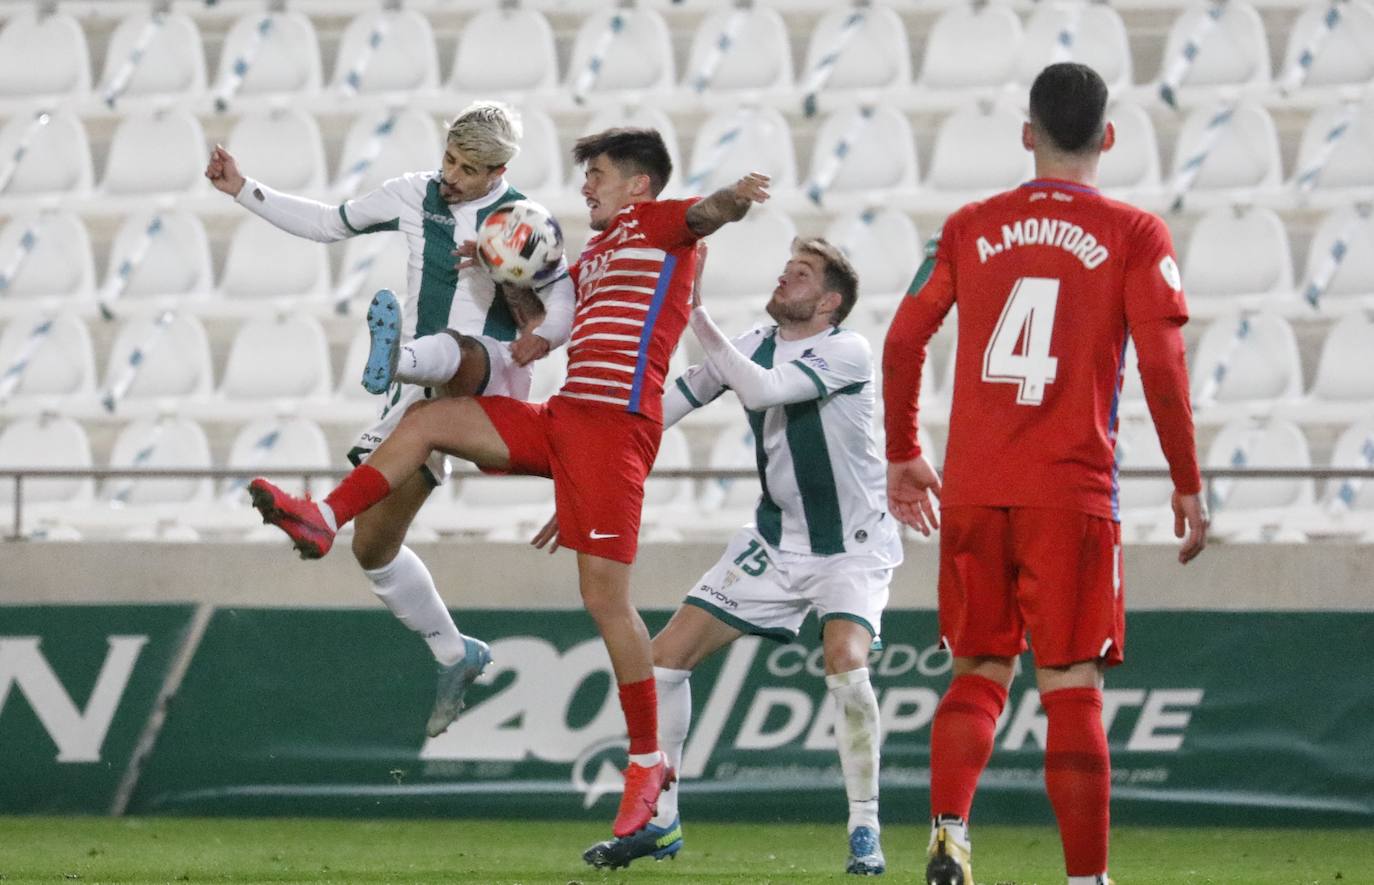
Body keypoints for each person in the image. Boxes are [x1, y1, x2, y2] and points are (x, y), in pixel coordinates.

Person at [245, 126, 770, 841]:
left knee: (605, 601)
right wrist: (507, 285)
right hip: (567, 418)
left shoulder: (660, 223)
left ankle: (648, 762)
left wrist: (734, 199)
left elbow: (704, 215)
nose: (586, 186)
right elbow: (552, 319)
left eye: (600, 175)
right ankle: (321, 517)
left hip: (616, 431)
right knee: (432, 422)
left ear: (639, 185)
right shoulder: (598, 252)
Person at [881, 63, 1209, 885]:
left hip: (976, 486)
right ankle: (1086, 880)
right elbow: (1165, 368)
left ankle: (950, 828)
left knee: (979, 671)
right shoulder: (1136, 233)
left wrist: (902, 451)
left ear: (1027, 134)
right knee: (1071, 684)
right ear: (1107, 136)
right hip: (1071, 489)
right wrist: (1187, 479)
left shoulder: (967, 225)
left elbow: (901, 341)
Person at [204, 100, 575, 741]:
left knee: (457, 350)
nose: (452, 175)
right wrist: (243, 189)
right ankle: (457, 654)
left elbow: (560, 309)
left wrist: (519, 301)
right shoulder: (412, 194)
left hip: (492, 378)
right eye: (449, 160)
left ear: (500, 169)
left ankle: (394, 357)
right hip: (423, 399)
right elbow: (327, 224)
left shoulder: (524, 223)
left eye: (469, 168)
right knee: (374, 548)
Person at [547, 238, 900, 875]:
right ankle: (661, 822)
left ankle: (865, 825)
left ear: (829, 302)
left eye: (802, 274)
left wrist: (698, 312)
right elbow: (665, 408)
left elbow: (766, 392)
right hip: (773, 541)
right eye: (785, 266)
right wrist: (590, 474)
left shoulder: (847, 349)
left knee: (845, 662)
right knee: (662, 661)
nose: (785, 276)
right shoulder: (753, 342)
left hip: (851, 548)